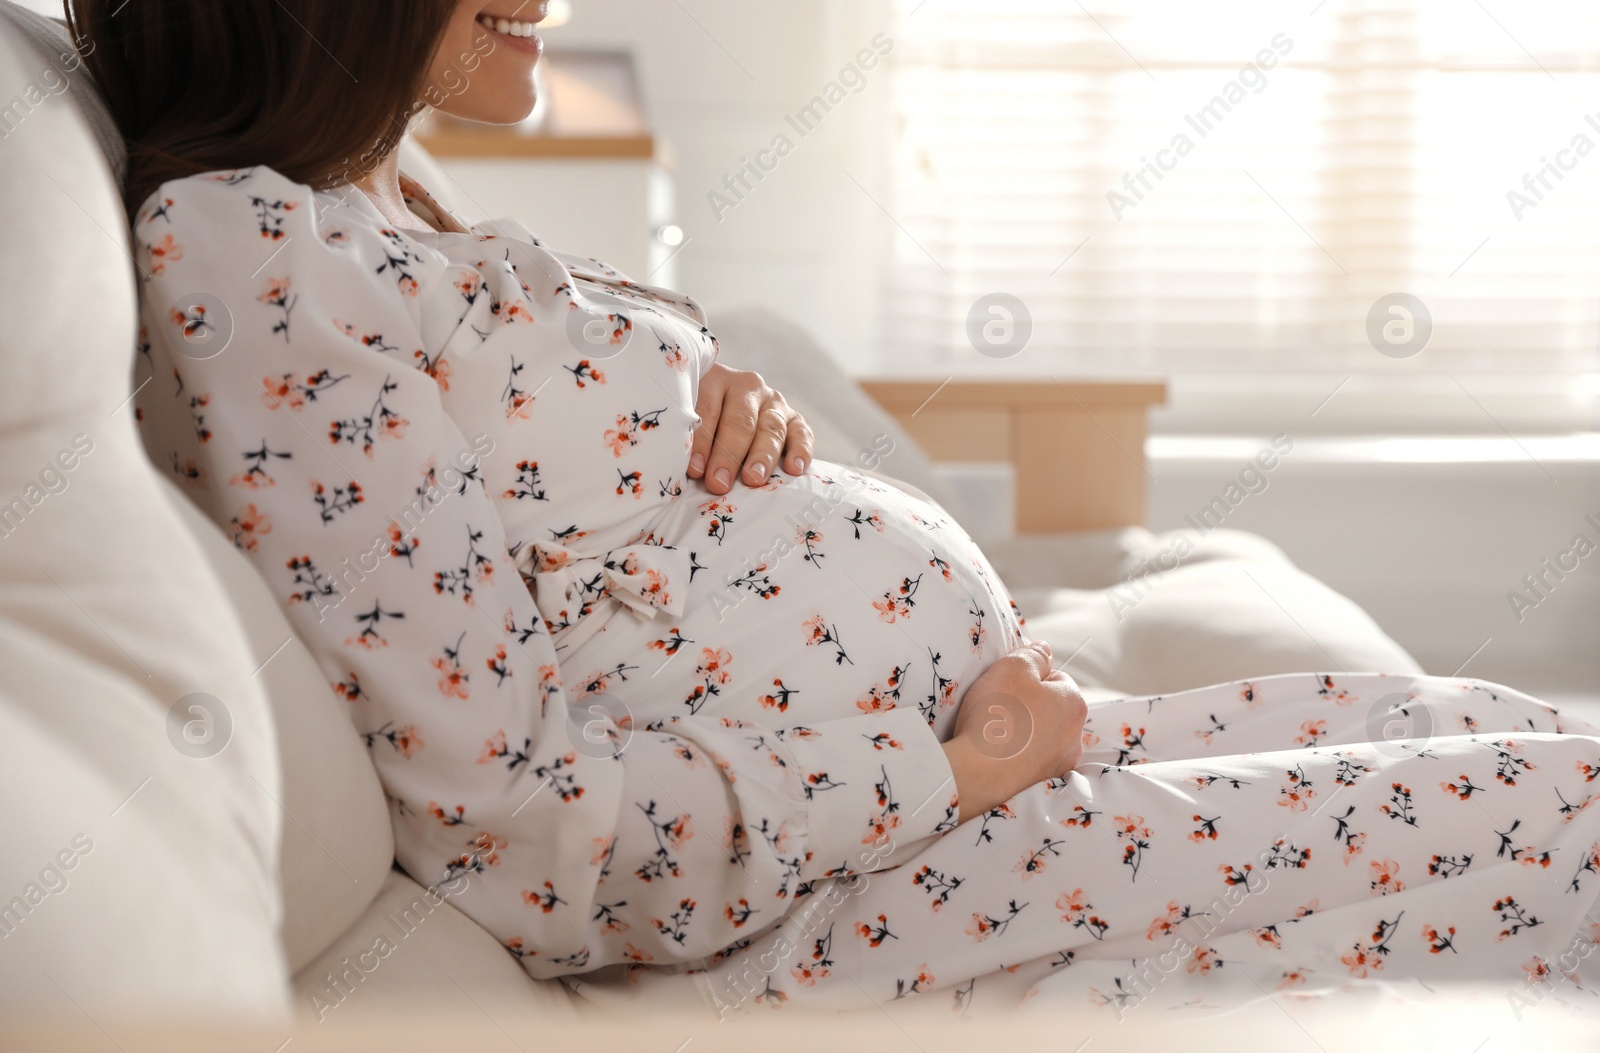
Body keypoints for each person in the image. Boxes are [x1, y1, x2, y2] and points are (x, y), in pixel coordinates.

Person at [76, 0, 1600, 1017]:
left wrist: (717, 403)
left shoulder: (364, 201)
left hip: (975, 767)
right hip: (860, 884)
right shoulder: (249, 256)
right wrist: (950, 766)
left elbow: (555, 520)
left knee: (1519, 734)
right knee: (1564, 823)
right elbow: (529, 843)